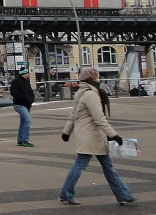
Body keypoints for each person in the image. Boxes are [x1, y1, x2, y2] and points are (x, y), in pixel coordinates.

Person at [58, 66, 135, 205]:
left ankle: (124, 195)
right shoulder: (91, 95)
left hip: (88, 136)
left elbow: (73, 115)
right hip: (92, 137)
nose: (99, 80)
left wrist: (66, 132)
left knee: (104, 167)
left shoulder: (81, 93)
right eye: (97, 77)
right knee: (87, 166)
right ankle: (66, 193)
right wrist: (114, 135)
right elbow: (99, 118)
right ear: (92, 79)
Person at [10, 64, 36, 147]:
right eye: (26, 74)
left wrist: (31, 99)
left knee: (24, 121)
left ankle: (20, 140)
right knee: (27, 120)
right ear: (22, 74)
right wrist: (25, 98)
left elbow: (30, 92)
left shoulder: (26, 81)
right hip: (19, 104)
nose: (28, 75)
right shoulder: (16, 82)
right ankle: (25, 139)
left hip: (27, 104)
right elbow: (14, 93)